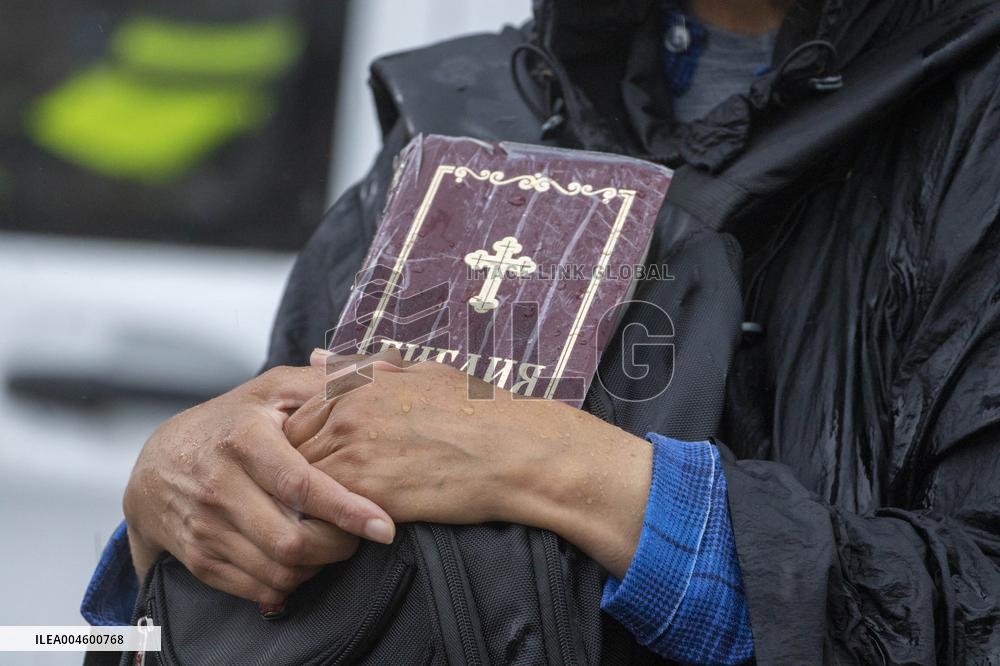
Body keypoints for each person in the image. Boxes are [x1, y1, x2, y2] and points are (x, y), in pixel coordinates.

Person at [82, 0, 1000, 663]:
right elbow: (272, 596)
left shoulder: (971, 130)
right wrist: (162, 521)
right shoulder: (473, 109)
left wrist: (560, 470)